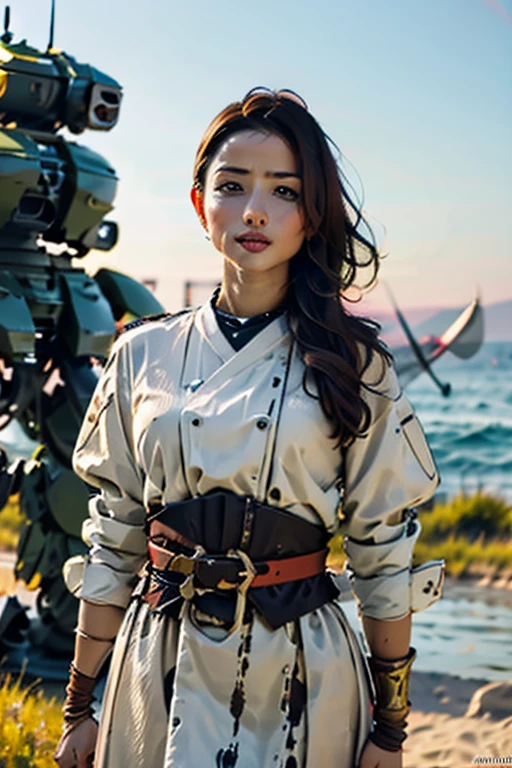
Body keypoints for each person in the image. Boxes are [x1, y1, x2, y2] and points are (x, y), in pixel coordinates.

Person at [54, 88, 443, 768]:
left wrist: (391, 729)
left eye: (284, 192)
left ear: (310, 215)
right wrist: (79, 705)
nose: (255, 210)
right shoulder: (140, 353)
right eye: (232, 186)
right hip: (157, 661)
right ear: (201, 204)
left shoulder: (357, 365)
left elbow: (383, 554)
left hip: (299, 666)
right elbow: (114, 538)